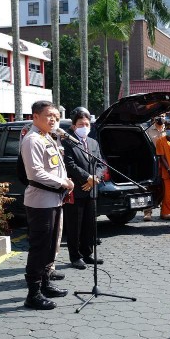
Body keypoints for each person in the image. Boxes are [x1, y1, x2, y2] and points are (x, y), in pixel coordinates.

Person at [20, 101, 75, 309]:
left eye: (55, 116)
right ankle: (33, 293)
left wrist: (65, 181)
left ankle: (45, 283)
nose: (53, 119)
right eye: (48, 115)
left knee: (51, 245)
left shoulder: (48, 138)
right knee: (40, 247)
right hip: (40, 200)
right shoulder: (32, 140)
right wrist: (63, 182)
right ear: (35, 117)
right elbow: (35, 173)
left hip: (54, 199)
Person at [63, 107, 105, 270]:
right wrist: (87, 178)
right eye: (81, 124)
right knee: (75, 226)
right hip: (77, 190)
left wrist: (96, 179)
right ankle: (75, 257)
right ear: (74, 126)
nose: (84, 127)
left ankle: (87, 254)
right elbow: (69, 164)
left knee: (90, 225)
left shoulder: (93, 142)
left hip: (92, 190)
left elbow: (101, 163)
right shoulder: (67, 142)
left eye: (87, 124)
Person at [144, 115, 166, 221]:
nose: (160, 118)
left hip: (166, 161)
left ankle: (164, 211)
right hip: (152, 161)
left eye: (162, 115)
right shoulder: (147, 130)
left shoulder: (169, 129)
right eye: (158, 116)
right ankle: (148, 212)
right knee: (150, 185)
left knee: (164, 186)